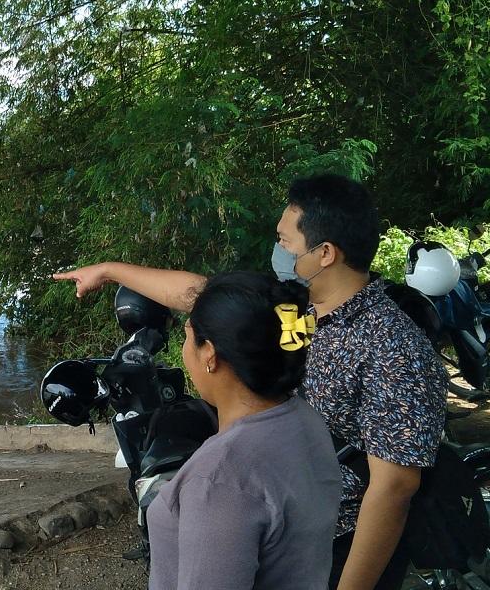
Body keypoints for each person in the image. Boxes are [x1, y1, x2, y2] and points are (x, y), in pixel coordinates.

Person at [54, 174, 448, 590]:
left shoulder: (392, 346)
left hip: (331, 547)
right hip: (269, 516)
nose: (277, 250)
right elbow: (207, 299)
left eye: (285, 241)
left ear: (326, 253)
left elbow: (395, 487)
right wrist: (111, 271)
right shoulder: (298, 309)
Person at [147, 271, 341, 589]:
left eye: (187, 336)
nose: (185, 350)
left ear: (209, 353)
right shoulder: (302, 419)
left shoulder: (221, 479)